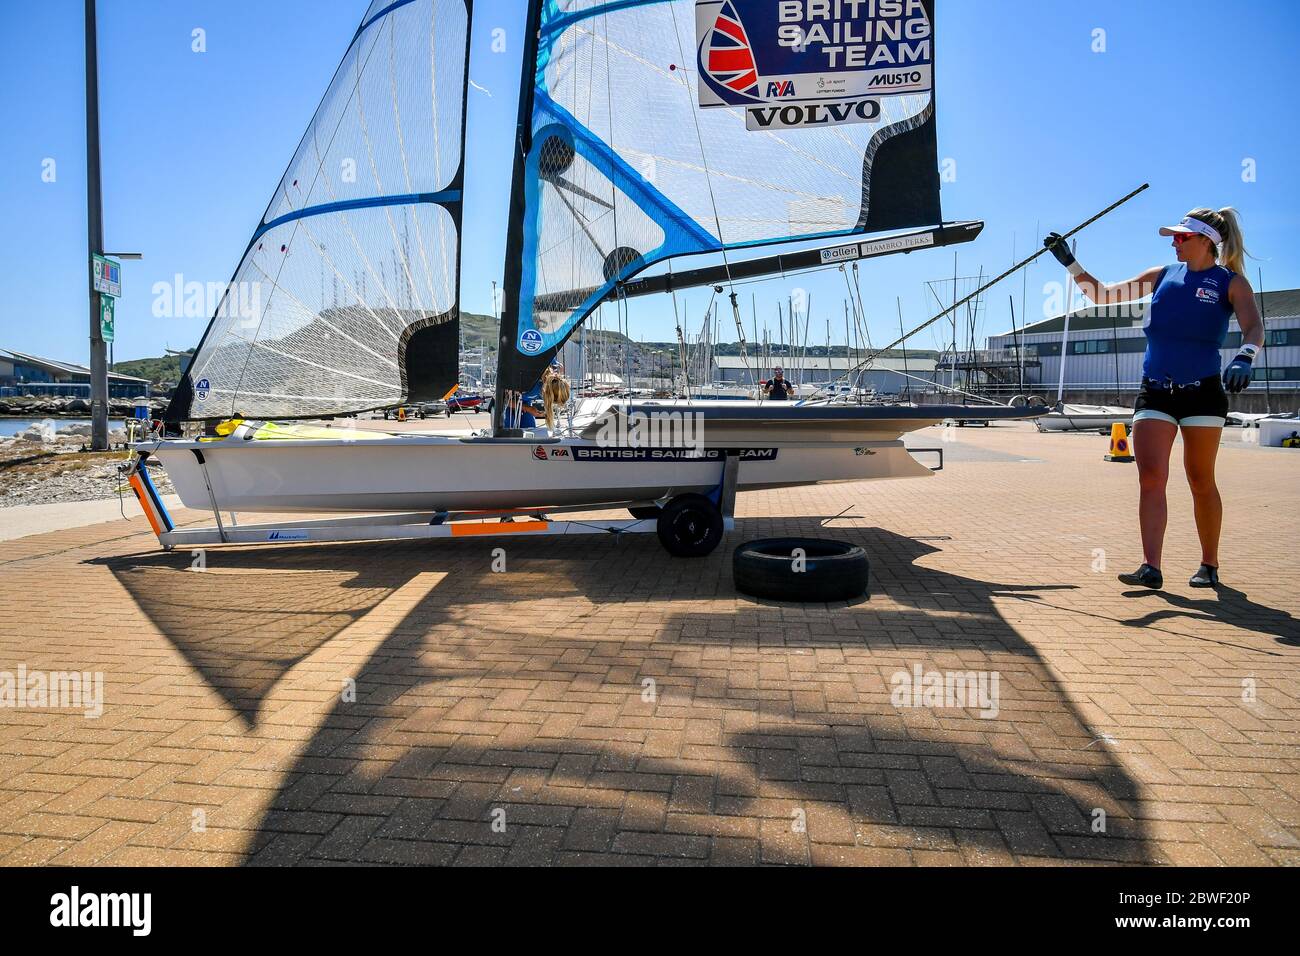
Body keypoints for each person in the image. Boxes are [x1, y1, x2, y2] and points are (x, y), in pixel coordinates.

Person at [1044, 208, 1263, 589]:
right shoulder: (1162, 275)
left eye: (1181, 237)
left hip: (1203, 394)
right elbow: (1102, 295)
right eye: (1173, 237)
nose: (1174, 242)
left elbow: (1254, 327)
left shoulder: (1230, 282)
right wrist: (1071, 263)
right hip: (1156, 391)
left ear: (1205, 241)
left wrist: (1246, 356)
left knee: (1200, 479)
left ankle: (1209, 564)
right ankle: (1151, 567)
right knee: (1151, 479)